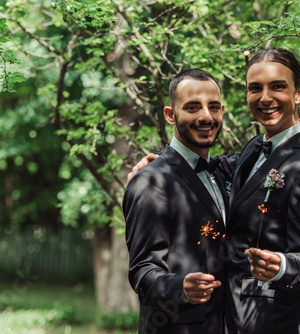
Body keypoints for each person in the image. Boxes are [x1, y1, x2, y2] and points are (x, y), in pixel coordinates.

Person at [128, 48, 300, 333]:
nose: (265, 97)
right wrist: (156, 166)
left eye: (277, 86)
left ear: (298, 93)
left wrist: (280, 266)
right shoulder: (253, 150)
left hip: (278, 322)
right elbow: (195, 167)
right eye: (255, 88)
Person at [123, 69, 231, 334]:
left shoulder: (225, 171)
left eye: (213, 107)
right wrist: (180, 287)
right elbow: (142, 271)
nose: (206, 116)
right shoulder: (150, 182)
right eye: (193, 107)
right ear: (170, 114)